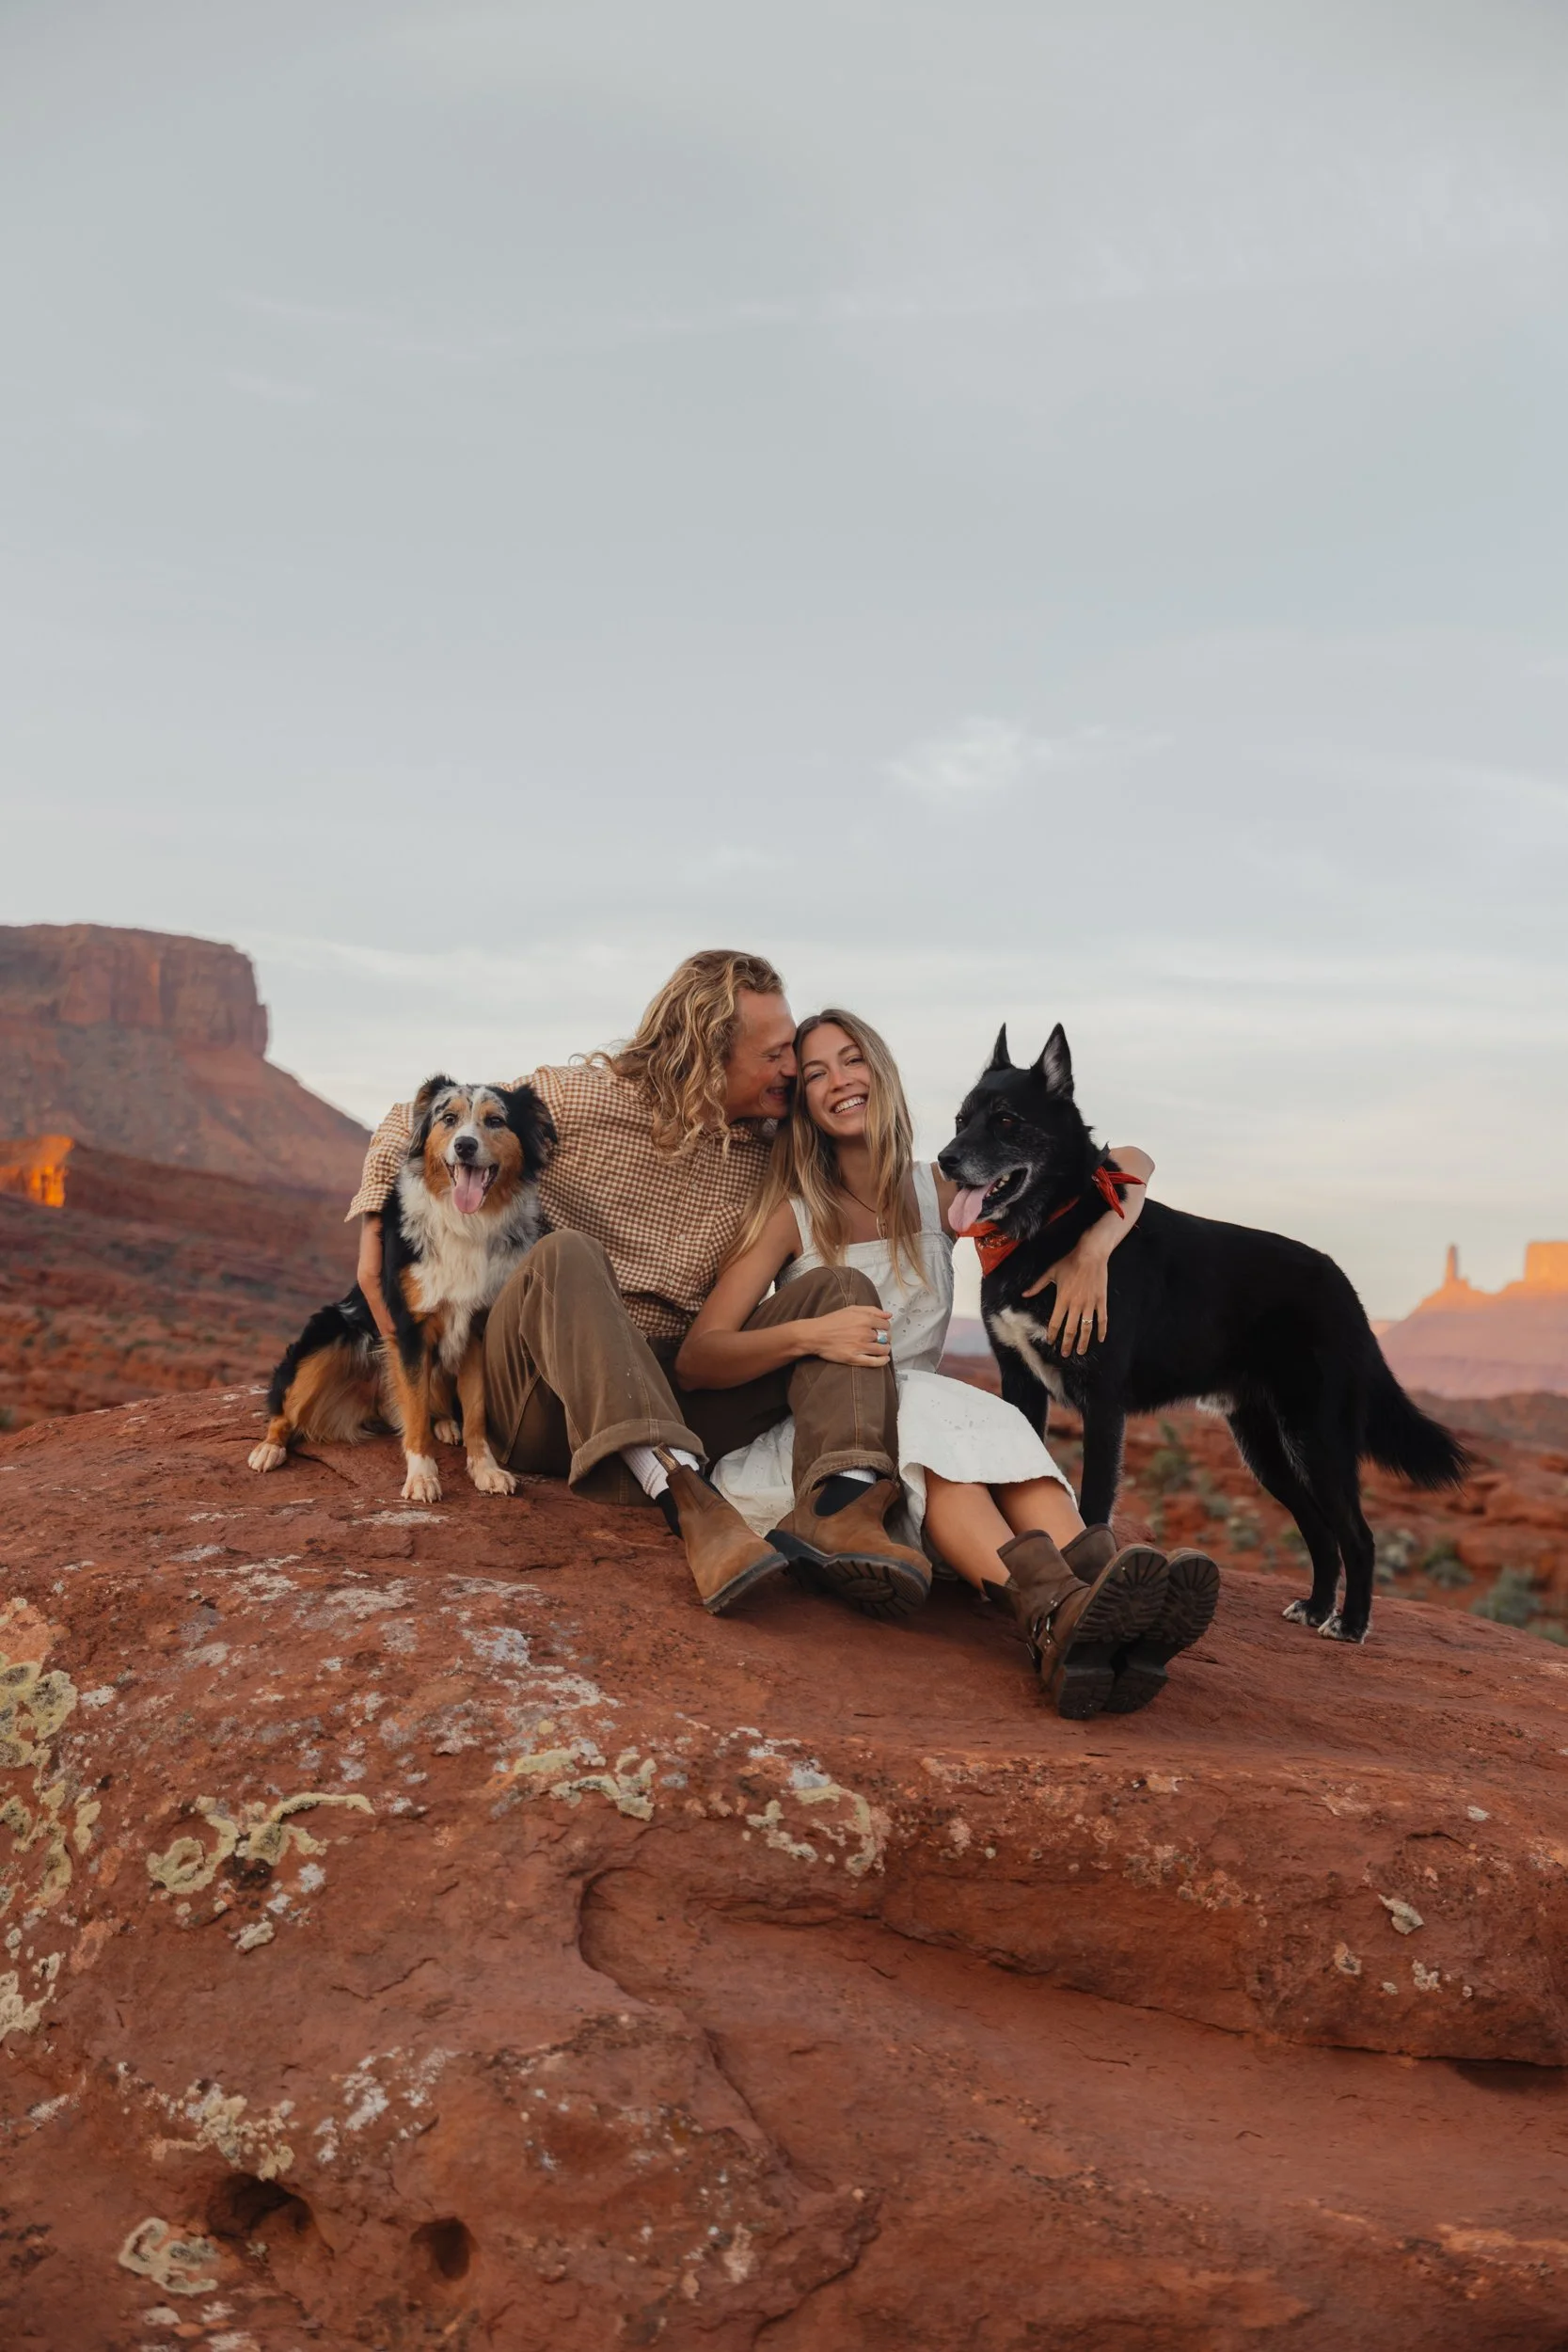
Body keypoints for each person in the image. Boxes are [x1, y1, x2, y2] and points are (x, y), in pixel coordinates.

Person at [346, 950, 942, 1619]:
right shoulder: (584, 1098)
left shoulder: (774, 1142)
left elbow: (898, 1175)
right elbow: (414, 1117)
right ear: (710, 1050)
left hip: (675, 1391)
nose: (791, 1065)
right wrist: (375, 1229)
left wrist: (1083, 1234)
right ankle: (692, 1510)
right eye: (777, 1053)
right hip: (547, 1394)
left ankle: (843, 1511)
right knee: (565, 1254)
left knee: (839, 1286)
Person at [678, 1009, 1217, 1717]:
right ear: (803, 1103)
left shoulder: (943, 1192)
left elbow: (1131, 1163)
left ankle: (1101, 1593)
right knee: (941, 1430)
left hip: (926, 1422)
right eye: (814, 1074)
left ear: (880, 1071)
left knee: (973, 1430)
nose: (838, 1081)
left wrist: (1094, 1251)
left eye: (851, 1060)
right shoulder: (793, 1214)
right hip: (834, 1446)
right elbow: (699, 1359)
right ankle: (1054, 1615)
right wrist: (810, 1337)